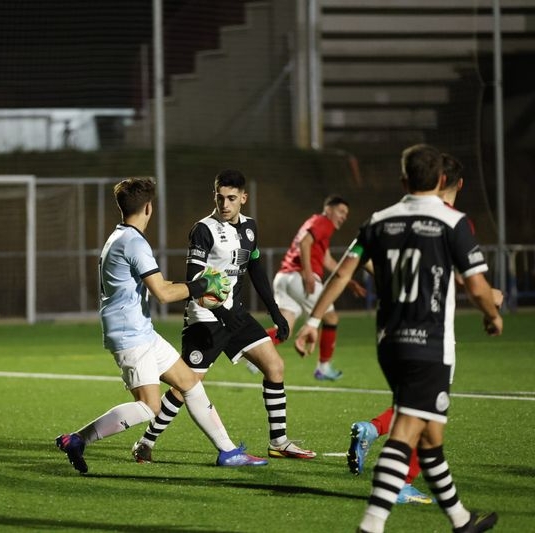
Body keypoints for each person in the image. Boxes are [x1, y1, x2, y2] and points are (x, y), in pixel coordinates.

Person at [295, 144, 502, 533]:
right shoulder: (452, 221)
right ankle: (371, 525)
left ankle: (461, 520)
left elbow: (342, 273)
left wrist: (313, 320)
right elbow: (475, 285)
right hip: (430, 344)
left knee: (429, 436)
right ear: (442, 180)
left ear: (403, 179)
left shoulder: (378, 221)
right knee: (409, 429)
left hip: (390, 342)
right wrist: (493, 314)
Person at [55, 177, 267, 474]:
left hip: (141, 331)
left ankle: (228, 452)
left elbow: (161, 284)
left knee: (189, 383)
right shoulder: (134, 242)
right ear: (149, 208)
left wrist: (195, 286)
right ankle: (77, 439)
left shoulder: (121, 236)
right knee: (149, 407)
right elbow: (164, 294)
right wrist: (202, 284)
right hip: (131, 337)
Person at [347, 152, 505, 506]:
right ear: (457, 184)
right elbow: (461, 278)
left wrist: (392, 283)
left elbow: (362, 260)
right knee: (424, 414)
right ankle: (398, 486)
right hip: (432, 332)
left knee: (415, 408)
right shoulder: (452, 220)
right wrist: (489, 301)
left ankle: (376, 433)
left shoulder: (397, 217)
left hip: (392, 331)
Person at [131, 169, 315, 464]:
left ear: (244, 197)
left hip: (235, 315)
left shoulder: (250, 228)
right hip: (205, 318)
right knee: (184, 385)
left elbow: (254, 269)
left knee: (275, 366)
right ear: (214, 196)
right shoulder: (203, 230)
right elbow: (193, 281)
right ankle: (145, 442)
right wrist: (221, 310)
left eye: (231, 198)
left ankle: (279, 441)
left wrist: (275, 311)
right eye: (220, 197)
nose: (225, 204)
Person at [268, 194, 365, 380]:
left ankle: (252, 349)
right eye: (341, 211)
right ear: (329, 209)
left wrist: (348, 280)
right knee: (330, 317)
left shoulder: (316, 225)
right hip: (299, 276)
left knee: (283, 329)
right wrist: (307, 272)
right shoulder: (323, 221)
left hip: (284, 277)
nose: (344, 216)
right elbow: (305, 243)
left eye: (346, 214)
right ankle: (323, 367)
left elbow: (326, 259)